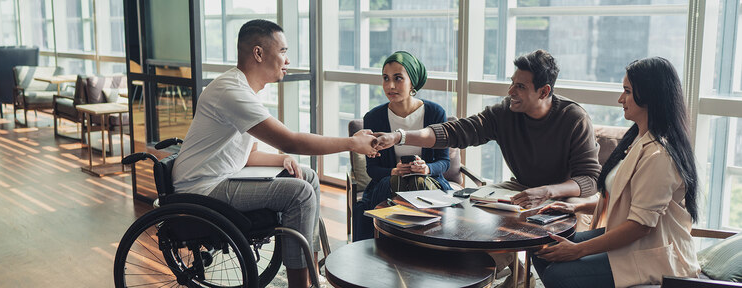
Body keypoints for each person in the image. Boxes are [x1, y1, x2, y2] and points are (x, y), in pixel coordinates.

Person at [172, 19, 378, 288]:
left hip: (219, 178)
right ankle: (299, 285)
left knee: (308, 176)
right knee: (299, 194)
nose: (287, 60)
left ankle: (312, 272)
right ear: (258, 53)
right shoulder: (231, 91)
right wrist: (351, 143)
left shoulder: (245, 90)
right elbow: (290, 140)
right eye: (282, 51)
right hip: (201, 189)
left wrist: (282, 160)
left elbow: (247, 156)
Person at [373, 49, 601, 288]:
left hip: (568, 193)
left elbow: (589, 180)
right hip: (522, 185)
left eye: (520, 87)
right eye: (512, 83)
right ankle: (516, 274)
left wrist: (547, 192)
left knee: (560, 224)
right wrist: (401, 136)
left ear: (544, 91)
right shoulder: (505, 113)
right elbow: (456, 131)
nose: (511, 91)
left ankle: (538, 277)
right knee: (471, 203)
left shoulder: (573, 117)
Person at [531, 57, 700, 288]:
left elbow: (641, 225)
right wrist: (577, 206)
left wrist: (577, 250)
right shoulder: (638, 140)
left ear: (650, 96)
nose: (621, 99)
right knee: (542, 249)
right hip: (638, 242)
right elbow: (627, 200)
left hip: (654, 254)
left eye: (627, 91)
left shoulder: (659, 155)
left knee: (558, 275)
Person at [352, 51, 452, 241]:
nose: (390, 86)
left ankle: (410, 248)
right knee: (400, 187)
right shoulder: (373, 117)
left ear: (412, 82)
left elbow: (444, 162)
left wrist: (427, 168)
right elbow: (372, 169)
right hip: (387, 185)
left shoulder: (435, 113)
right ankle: (411, 247)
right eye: (385, 78)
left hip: (429, 182)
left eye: (398, 78)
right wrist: (393, 172)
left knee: (417, 183)